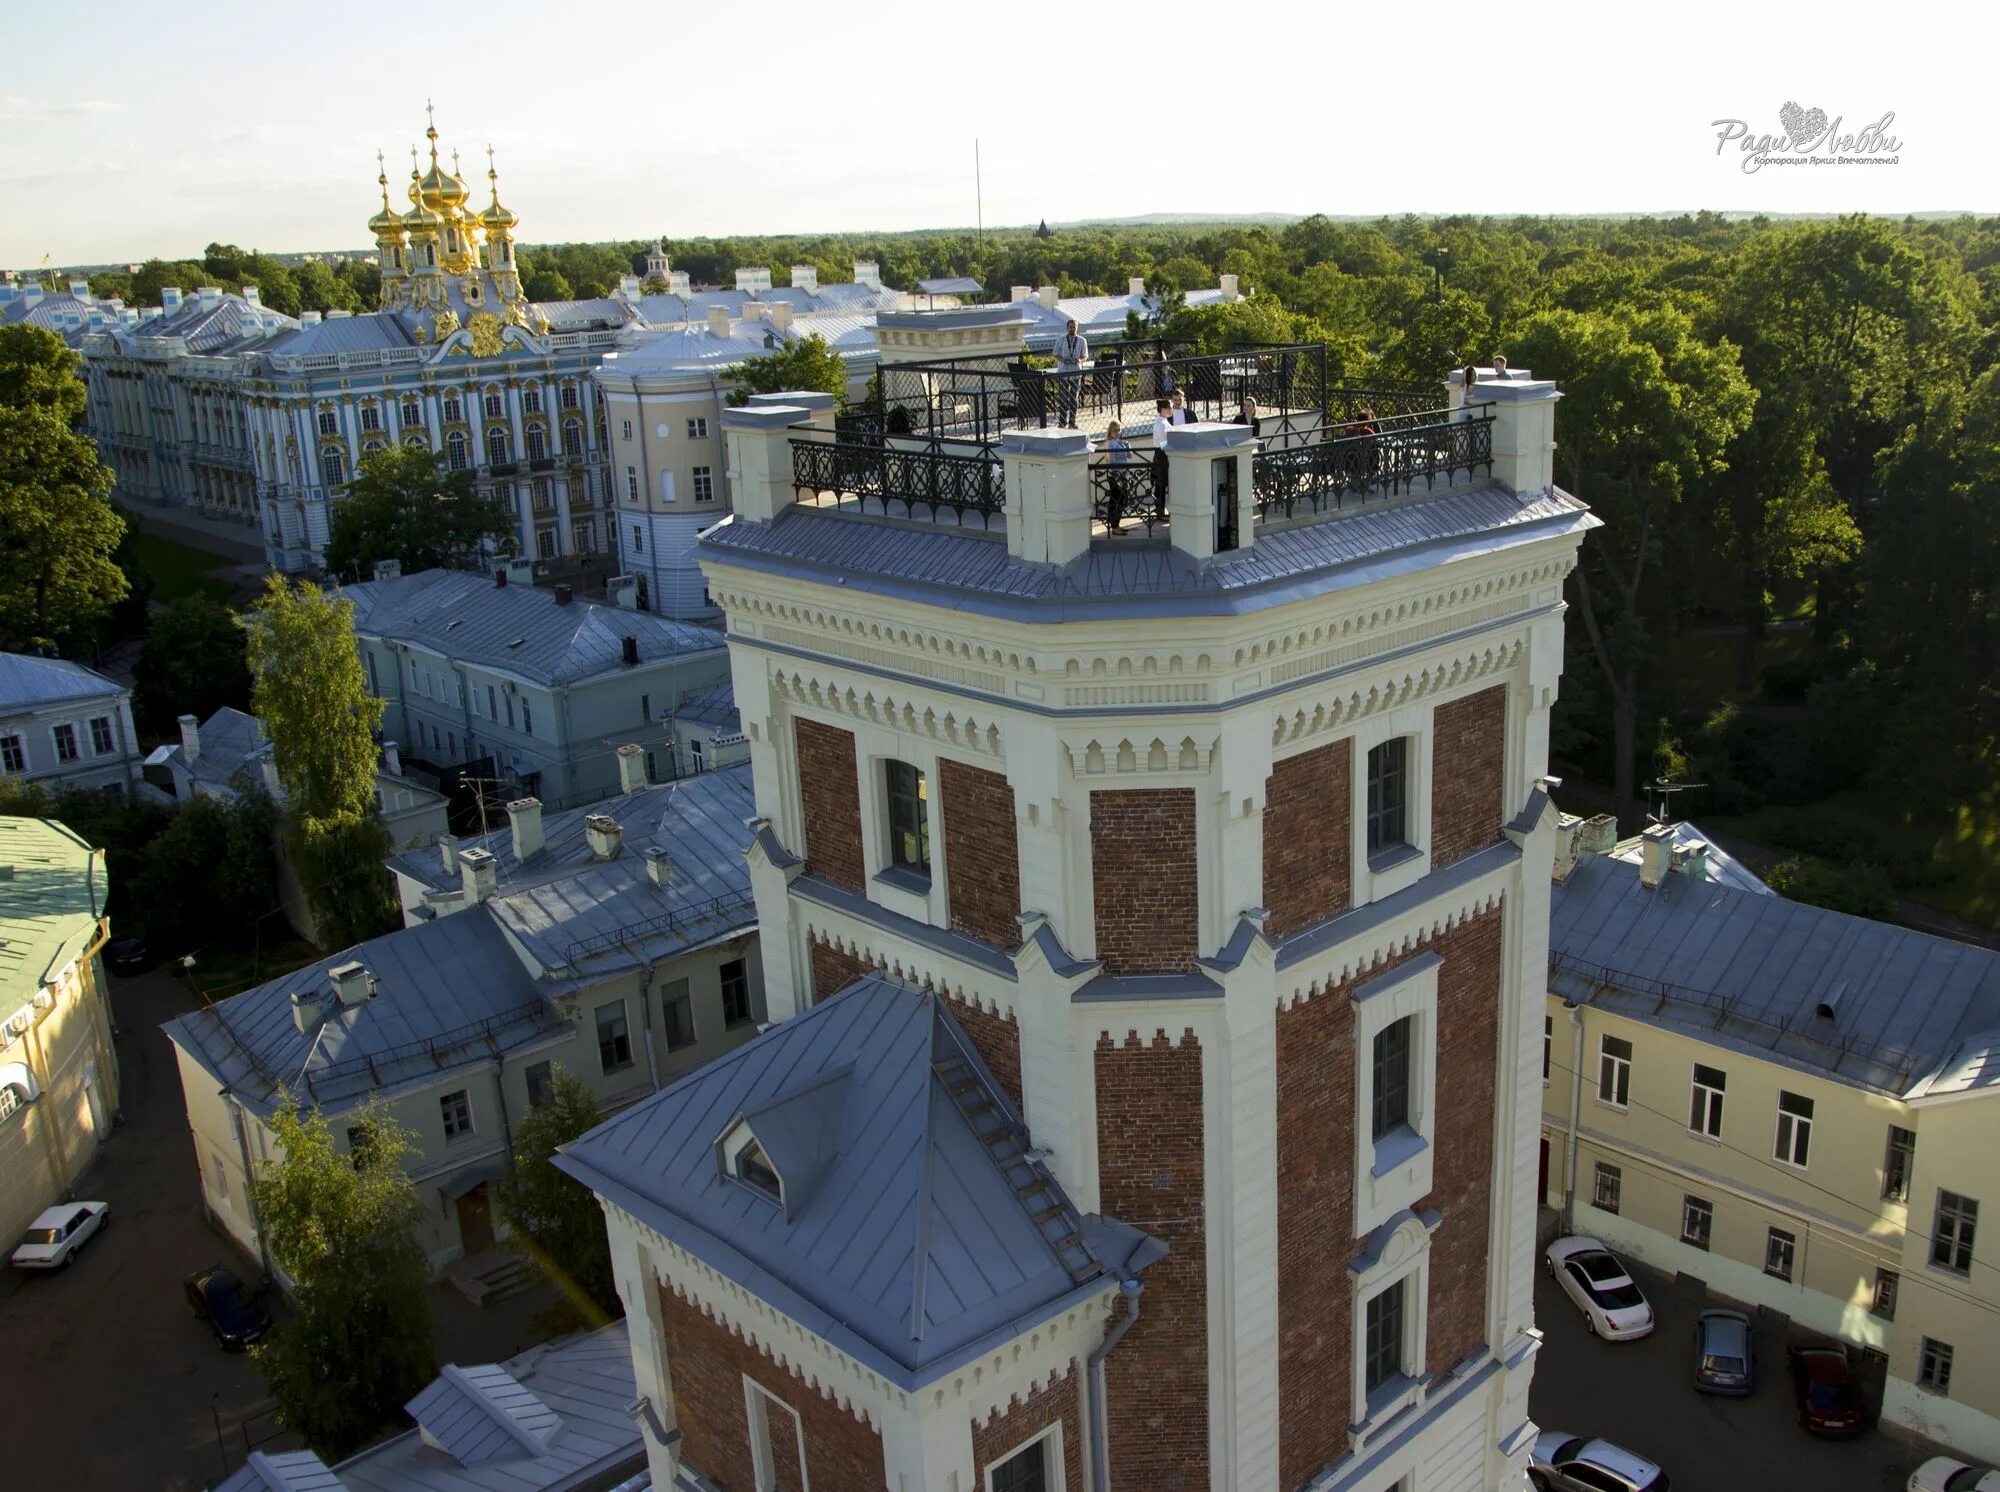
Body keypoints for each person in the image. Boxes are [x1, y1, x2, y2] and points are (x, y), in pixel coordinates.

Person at [1054, 318, 1089, 426]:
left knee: (1074, 399)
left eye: (1074, 327)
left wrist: (1080, 360)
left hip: (1076, 371)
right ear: (1067, 328)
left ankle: (1072, 422)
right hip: (1063, 371)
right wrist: (1063, 360)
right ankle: (1062, 422)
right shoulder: (1061, 339)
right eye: (1070, 327)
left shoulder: (1082, 341)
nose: (1072, 329)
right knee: (1063, 398)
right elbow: (1055, 353)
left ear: (1077, 328)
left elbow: (1085, 355)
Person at [1101, 420, 1134, 531]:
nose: (1118, 432)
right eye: (1115, 430)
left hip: (1122, 475)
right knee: (1118, 500)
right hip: (1115, 476)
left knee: (1119, 499)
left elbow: (1130, 456)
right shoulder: (1111, 443)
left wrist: (1127, 445)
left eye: (1119, 430)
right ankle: (1114, 526)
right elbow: (1112, 461)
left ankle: (1116, 525)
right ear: (1110, 431)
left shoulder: (1119, 442)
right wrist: (1117, 477)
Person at [1151, 398, 1172, 510]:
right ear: (1163, 409)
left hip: (1159, 454)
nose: (1171, 410)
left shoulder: (1161, 421)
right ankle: (1160, 510)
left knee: (1160, 484)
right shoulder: (1162, 424)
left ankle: (1159, 509)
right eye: (1169, 408)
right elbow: (1164, 442)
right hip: (1162, 454)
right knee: (1161, 484)